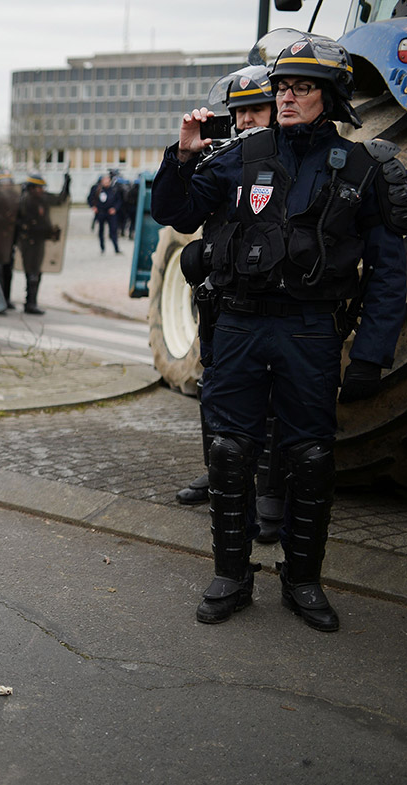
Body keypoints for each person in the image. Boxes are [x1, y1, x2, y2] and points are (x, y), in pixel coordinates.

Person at [151, 33, 407, 632]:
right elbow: (178, 213)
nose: (287, 97)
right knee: (230, 451)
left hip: (311, 331)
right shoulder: (242, 154)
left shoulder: (366, 167)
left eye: (303, 88)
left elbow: (391, 273)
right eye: (283, 86)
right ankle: (231, 575)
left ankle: (303, 581)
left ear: (333, 95)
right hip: (239, 326)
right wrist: (183, 155)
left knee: (312, 457)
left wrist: (370, 355)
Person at [176, 65, 287, 548]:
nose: (245, 121)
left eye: (255, 111)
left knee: (270, 394)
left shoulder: (286, 162)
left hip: (270, 297)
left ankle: (269, 491)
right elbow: (181, 212)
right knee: (214, 383)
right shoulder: (220, 161)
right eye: (238, 113)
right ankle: (218, 474)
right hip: (221, 294)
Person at [13, 172, 70, 316]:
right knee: (32, 272)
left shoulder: (41, 198)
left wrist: (67, 183)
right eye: (39, 188)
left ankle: (32, 302)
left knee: (37, 271)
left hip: (39, 240)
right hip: (29, 241)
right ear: (32, 188)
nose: (42, 190)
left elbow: (60, 199)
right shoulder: (25, 201)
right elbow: (20, 222)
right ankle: (30, 303)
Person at [89, 174, 121, 254]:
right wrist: (93, 207)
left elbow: (119, 200)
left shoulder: (114, 189)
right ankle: (102, 248)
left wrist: (115, 209)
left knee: (113, 230)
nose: (106, 182)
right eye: (104, 180)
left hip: (111, 213)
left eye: (107, 180)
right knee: (101, 231)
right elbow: (90, 198)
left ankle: (116, 248)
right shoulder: (97, 189)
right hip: (101, 212)